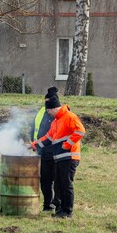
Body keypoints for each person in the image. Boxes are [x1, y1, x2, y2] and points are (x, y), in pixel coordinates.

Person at [30, 88, 86, 218]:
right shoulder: (56, 122)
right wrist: (33, 145)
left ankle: (68, 212)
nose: (48, 113)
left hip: (70, 157)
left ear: (55, 108)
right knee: (59, 185)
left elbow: (80, 131)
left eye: (49, 110)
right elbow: (48, 138)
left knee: (66, 185)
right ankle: (61, 211)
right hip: (60, 158)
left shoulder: (69, 116)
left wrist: (67, 145)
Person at [29, 87, 57, 212]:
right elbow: (33, 130)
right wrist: (34, 145)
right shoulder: (41, 112)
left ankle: (58, 204)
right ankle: (47, 205)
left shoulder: (60, 115)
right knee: (45, 181)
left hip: (57, 152)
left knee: (58, 182)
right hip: (42, 152)